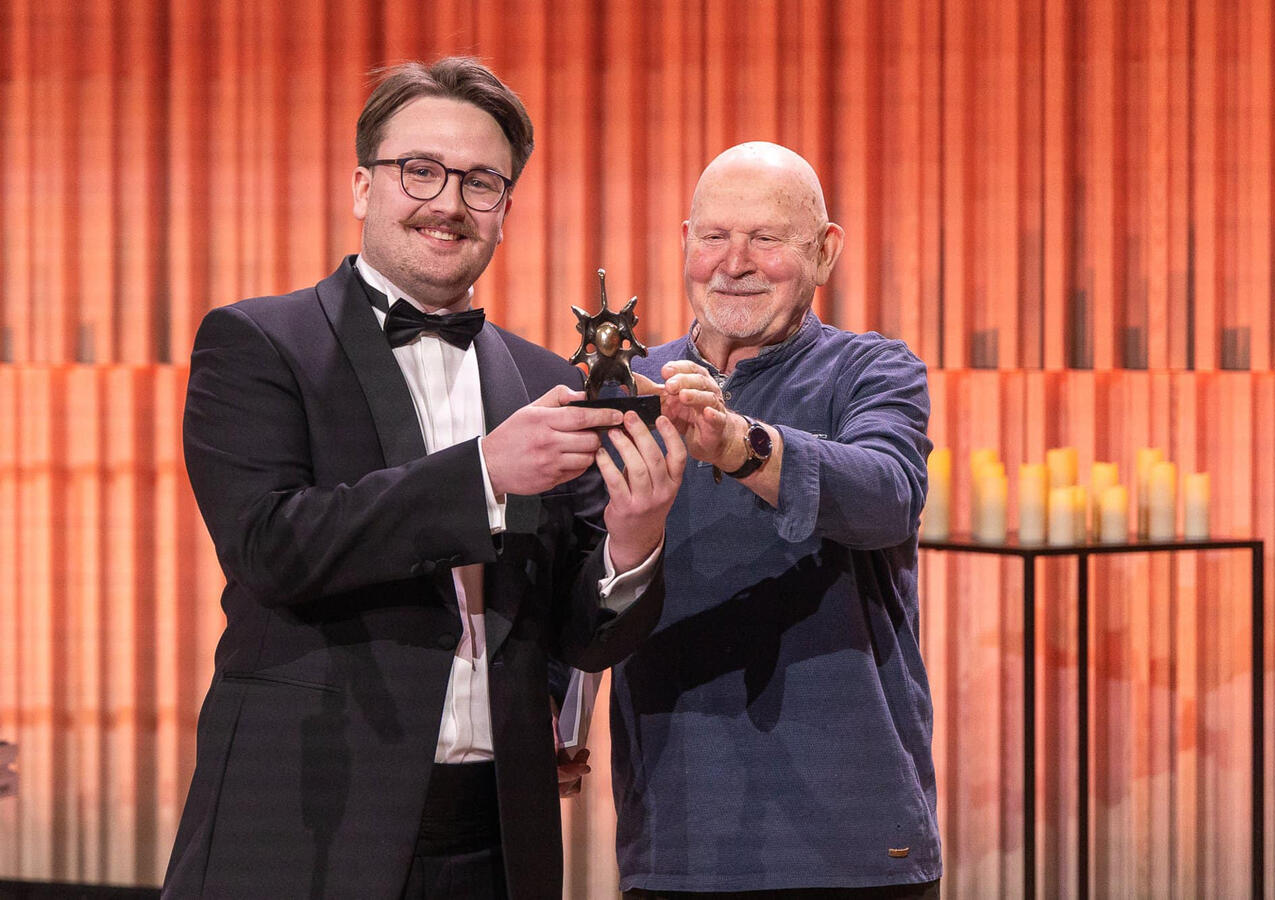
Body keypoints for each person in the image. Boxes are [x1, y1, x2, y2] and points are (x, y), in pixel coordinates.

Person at [163, 57, 685, 899]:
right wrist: (483, 473)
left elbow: (583, 640)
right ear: (362, 186)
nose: (448, 202)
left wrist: (634, 542)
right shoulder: (258, 342)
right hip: (304, 818)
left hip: (498, 835)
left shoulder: (543, 378)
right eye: (420, 170)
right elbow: (271, 548)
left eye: (480, 182)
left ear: (505, 211)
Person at [612, 142, 941, 897]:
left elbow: (887, 495)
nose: (734, 264)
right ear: (685, 242)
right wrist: (557, 713)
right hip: (677, 831)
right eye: (714, 237)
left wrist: (736, 444)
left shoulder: (873, 370)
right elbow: (578, 571)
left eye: (766, 239)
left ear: (825, 251)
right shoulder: (631, 387)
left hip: (856, 838)